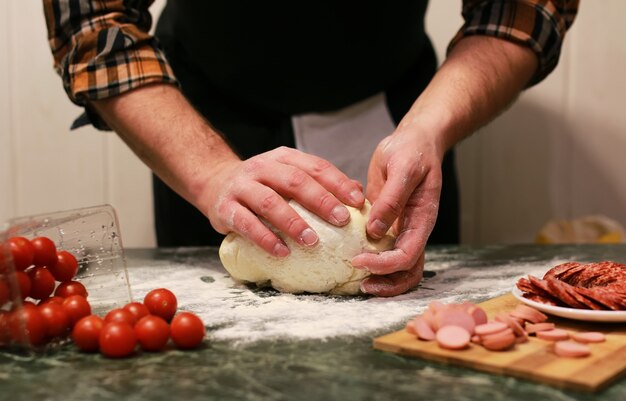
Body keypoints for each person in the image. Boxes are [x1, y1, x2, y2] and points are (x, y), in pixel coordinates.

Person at [43, 1, 578, 297]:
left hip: (404, 113)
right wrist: (210, 175)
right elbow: (93, 22)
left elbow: (521, 7)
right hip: (211, 125)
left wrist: (430, 127)